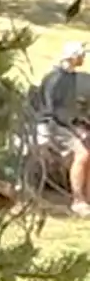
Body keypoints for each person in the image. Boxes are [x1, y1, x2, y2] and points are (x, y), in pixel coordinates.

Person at [32, 40, 89, 216]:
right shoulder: (55, 79)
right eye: (81, 55)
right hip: (53, 126)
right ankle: (78, 201)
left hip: (67, 124)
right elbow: (51, 111)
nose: (84, 58)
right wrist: (75, 129)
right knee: (82, 154)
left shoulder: (73, 77)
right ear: (73, 58)